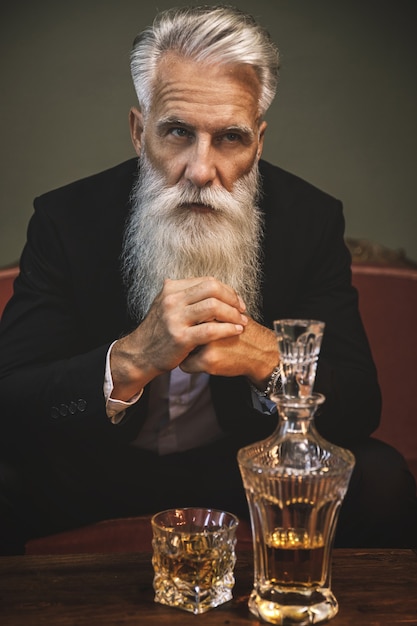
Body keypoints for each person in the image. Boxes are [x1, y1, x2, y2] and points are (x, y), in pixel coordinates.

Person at [0, 5, 416, 555]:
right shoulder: (67, 218)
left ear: (258, 143)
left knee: (382, 478)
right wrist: (129, 360)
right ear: (137, 130)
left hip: (243, 469)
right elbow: (12, 401)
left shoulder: (309, 219)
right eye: (177, 132)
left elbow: (361, 404)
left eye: (229, 138)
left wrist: (265, 357)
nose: (201, 170)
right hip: (91, 466)